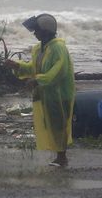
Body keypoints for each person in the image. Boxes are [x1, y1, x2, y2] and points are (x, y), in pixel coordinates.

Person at [5, 14, 74, 167]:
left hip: (59, 94)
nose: (35, 33)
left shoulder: (58, 48)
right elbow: (33, 68)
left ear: (46, 31)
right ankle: (59, 156)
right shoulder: (39, 49)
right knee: (49, 124)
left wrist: (38, 80)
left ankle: (62, 157)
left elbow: (59, 71)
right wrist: (17, 65)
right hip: (46, 94)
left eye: (37, 30)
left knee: (59, 125)